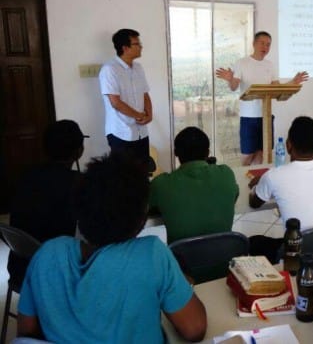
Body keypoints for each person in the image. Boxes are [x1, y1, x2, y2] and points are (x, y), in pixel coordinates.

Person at [16, 154, 207, 343]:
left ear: (78, 209)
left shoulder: (46, 254)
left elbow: (26, 332)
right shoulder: (152, 255)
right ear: (141, 221)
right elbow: (194, 329)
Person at [248, 116, 313, 260]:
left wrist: (257, 185)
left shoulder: (273, 175)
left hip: (293, 254)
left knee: (253, 242)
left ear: (288, 145)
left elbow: (254, 203)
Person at [8, 120, 86, 283]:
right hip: (53, 274)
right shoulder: (79, 184)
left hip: (20, 269)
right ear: (79, 151)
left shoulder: (25, 177)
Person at [215, 31, 309, 166]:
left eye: (268, 45)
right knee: (247, 155)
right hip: (249, 117)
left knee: (261, 153)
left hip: (266, 115)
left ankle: (256, 182)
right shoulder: (242, 63)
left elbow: (277, 89)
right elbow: (234, 87)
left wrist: (293, 81)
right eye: (262, 43)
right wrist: (230, 79)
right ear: (254, 44)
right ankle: (240, 181)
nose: (265, 47)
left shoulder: (269, 65)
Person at [148, 127, 238, 244]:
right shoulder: (226, 174)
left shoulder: (161, 184)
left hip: (181, 261)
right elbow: (234, 197)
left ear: (176, 153)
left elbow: (147, 209)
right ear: (208, 153)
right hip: (225, 258)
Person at [99, 28, 152, 167]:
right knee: (123, 177)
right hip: (120, 132)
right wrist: (139, 115)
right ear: (125, 48)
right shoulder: (110, 69)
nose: (141, 47)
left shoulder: (138, 68)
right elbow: (115, 102)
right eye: (137, 44)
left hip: (141, 132)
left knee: (142, 172)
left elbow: (145, 93)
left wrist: (149, 114)